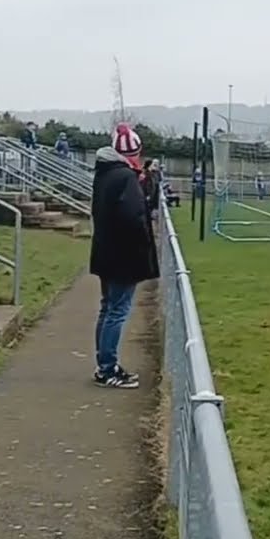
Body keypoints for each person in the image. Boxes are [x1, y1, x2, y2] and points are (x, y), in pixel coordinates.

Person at [89, 132, 159, 388]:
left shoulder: (104, 174)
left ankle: (104, 365)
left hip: (106, 253)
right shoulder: (126, 178)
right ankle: (108, 369)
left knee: (108, 308)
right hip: (123, 256)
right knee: (117, 311)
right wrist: (143, 247)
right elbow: (133, 217)